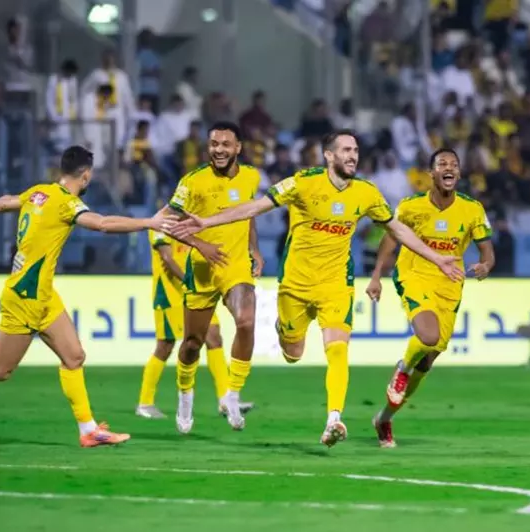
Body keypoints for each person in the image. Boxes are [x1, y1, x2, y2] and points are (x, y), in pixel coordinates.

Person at [165, 129, 464, 447]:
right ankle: (283, 330)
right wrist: (207, 223)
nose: (353, 156)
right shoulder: (302, 183)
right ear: (329, 155)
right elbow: (254, 207)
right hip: (295, 285)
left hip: (336, 284)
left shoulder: (366, 193)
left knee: (338, 349)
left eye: (356, 150)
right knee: (293, 352)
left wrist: (437, 258)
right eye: (346, 150)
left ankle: (334, 419)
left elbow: (397, 229)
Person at [0, 146, 167, 446]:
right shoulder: (66, 203)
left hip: (44, 296)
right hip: (25, 297)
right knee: (0, 371)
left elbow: (3, 203)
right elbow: (102, 224)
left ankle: (88, 430)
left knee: (74, 356)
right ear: (85, 176)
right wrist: (149, 223)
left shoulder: (39, 192)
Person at [365, 148, 495, 448]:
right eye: (442, 164)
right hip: (414, 275)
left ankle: (384, 418)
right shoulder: (410, 206)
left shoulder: (472, 209)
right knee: (427, 336)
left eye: (454, 164)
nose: (449, 168)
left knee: (428, 358)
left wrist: (486, 266)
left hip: (449, 284)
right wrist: (376, 275)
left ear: (458, 173)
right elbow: (391, 239)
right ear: (431, 173)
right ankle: (402, 368)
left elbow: (487, 250)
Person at [162, 121, 263, 435]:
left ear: (238, 148)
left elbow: (248, 214)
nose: (218, 150)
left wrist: (255, 249)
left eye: (225, 144)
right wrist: (200, 244)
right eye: (214, 144)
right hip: (202, 269)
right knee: (193, 344)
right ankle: (185, 395)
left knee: (245, 320)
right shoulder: (192, 181)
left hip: (235, 266)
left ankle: (232, 395)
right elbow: (166, 221)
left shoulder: (251, 177)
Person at [136, 226, 256, 418]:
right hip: (170, 294)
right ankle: (145, 402)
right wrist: (188, 280)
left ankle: (225, 399)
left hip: (196, 293)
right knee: (165, 346)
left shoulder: (192, 222)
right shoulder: (162, 222)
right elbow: (167, 258)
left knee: (214, 338)